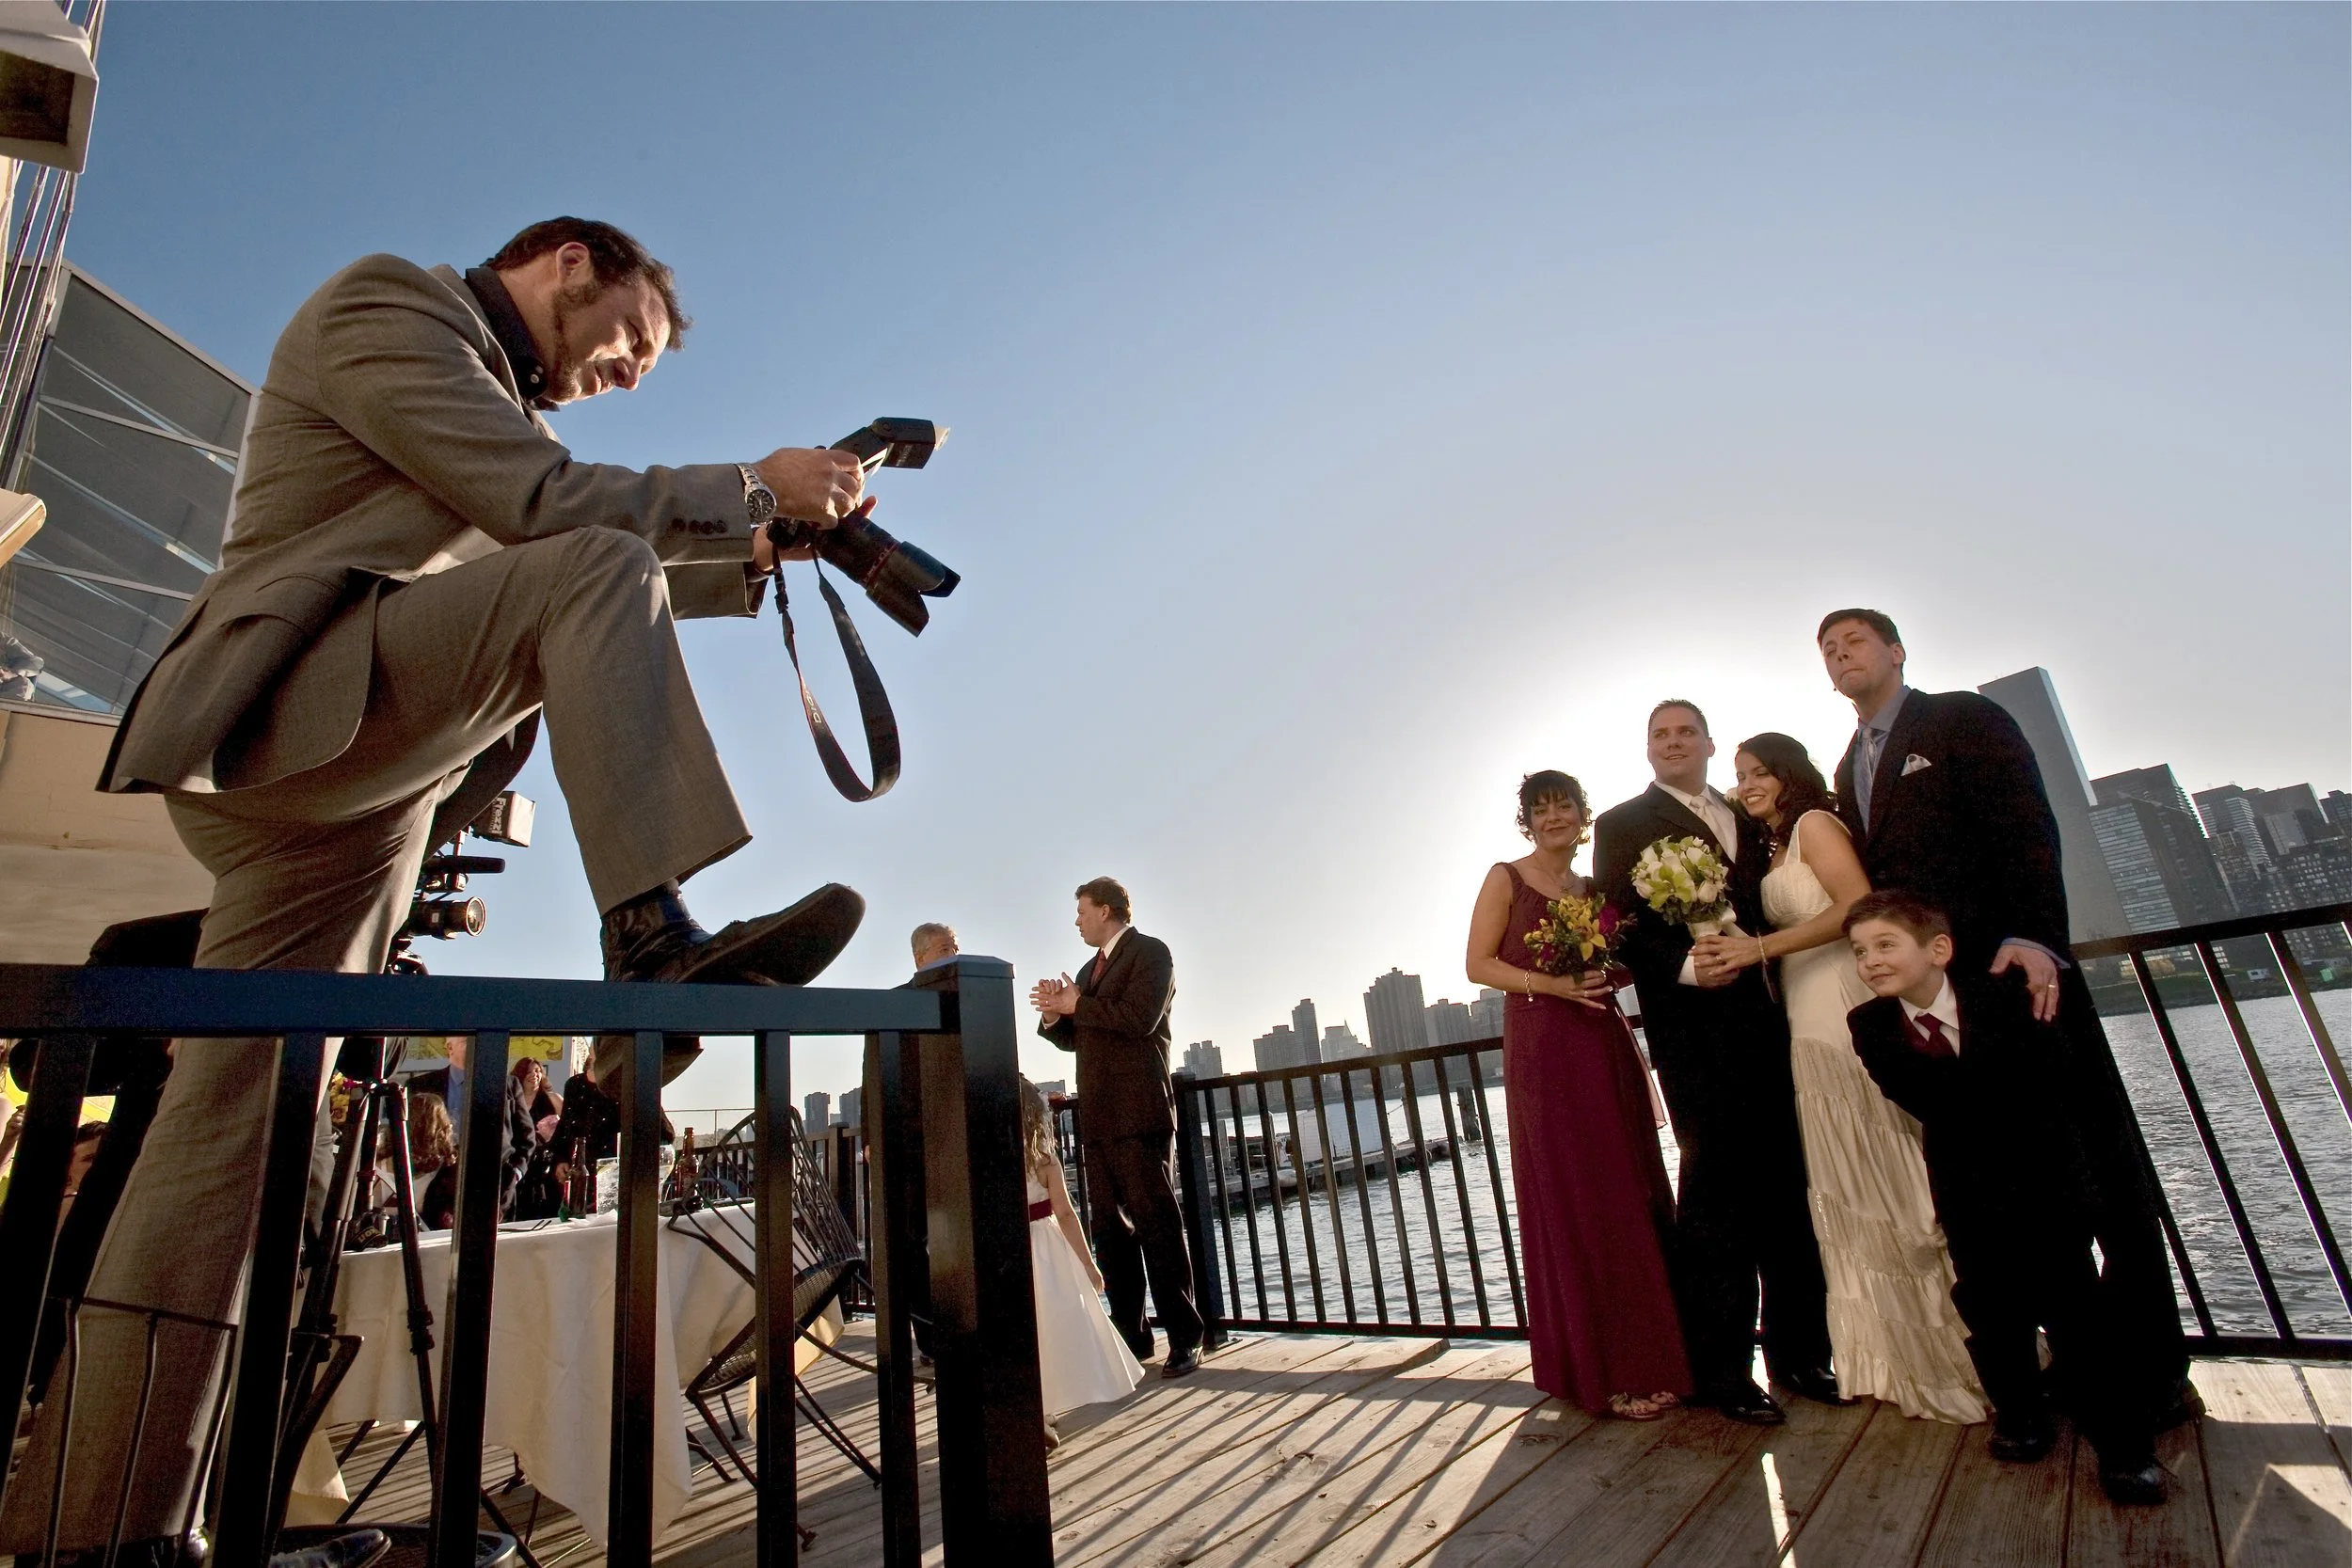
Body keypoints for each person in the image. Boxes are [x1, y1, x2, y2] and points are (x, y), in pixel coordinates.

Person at [3, 217, 875, 1564]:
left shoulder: (489, 394)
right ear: (570, 262)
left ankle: (102, 1524)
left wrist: (767, 550)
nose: (633, 372)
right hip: (296, 713)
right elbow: (549, 516)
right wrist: (752, 489)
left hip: (360, 792)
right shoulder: (388, 310)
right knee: (591, 562)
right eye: (634, 339)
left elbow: (539, 540)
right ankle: (647, 933)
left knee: (230, 1143)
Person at [1817, 609, 2191, 1426]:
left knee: (2104, 1176)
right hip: (1948, 1002)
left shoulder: (1961, 718)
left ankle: (2158, 1368)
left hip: (2020, 979)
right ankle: (2056, 1367)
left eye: (1855, 641)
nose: (1841, 655)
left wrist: (2036, 937)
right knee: (1999, 1193)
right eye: (1828, 649)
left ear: (1896, 650)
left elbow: (2028, 827)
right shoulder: (1850, 766)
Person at [1692, 734, 1984, 1422]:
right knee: (1844, 1170)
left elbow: (1857, 904)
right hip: (1802, 1008)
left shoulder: (1817, 826)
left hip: (1842, 994)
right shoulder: (1767, 847)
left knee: (1883, 1149)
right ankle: (1883, 1346)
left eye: (1759, 771)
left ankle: (1951, 1343)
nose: (1748, 783)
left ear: (1789, 774)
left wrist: (1759, 946)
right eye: (1739, 776)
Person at [1843, 892, 2168, 1504]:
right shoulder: (1870, 1025)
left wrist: (2071, 1182)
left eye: (1886, 944)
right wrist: (1989, 1090)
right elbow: (1926, 1097)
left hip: (2046, 1184)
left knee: (2078, 1315)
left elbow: (2047, 1085)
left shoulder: (2004, 999)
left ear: (1938, 948)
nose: (1871, 960)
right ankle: (2022, 1414)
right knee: (1990, 1311)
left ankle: (2126, 1449)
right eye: (1860, 951)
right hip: (1968, 1194)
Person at [1593, 701, 1836, 1427]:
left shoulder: (1747, 811)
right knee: (1716, 1201)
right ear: (1648, 749)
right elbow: (1620, 925)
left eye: (1684, 732)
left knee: (1790, 1190)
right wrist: (1690, 969)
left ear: (1707, 742)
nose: (1672, 742)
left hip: (1777, 1020)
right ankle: (1723, 1369)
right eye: (1659, 734)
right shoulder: (1622, 823)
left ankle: (1802, 1352)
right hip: (1698, 1034)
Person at [1465, 771, 1690, 1419]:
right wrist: (1552, 983)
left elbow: (1620, 958)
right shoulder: (1505, 877)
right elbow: (1478, 964)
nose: (1554, 816)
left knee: (1629, 1189)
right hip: (1545, 1046)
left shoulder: (1592, 889)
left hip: (1601, 1040)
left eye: (1564, 804)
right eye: (1541, 808)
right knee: (1581, 1194)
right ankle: (1604, 1368)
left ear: (1581, 815)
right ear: (1527, 821)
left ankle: (1660, 1354)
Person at [1030, 878, 1206, 1379]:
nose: (1077, 921)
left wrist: (1076, 1006)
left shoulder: (1152, 954)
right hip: (1100, 1116)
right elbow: (1076, 1036)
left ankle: (1186, 1337)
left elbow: (1137, 1019)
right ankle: (1132, 1337)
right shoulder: (1088, 970)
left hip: (1139, 1109)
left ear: (1106, 910)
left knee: (1157, 1225)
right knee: (1111, 1233)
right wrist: (1052, 1016)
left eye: (1082, 912)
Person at [1019, 1077, 1143, 1439]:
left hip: (1012, 1254)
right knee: (1053, 1328)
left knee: (1027, 1332)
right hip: (1048, 1252)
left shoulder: (988, 1160)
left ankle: (1035, 1409)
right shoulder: (1045, 1161)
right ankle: (1044, 1406)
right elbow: (1066, 1214)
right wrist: (1089, 1265)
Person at [503, 1056, 565, 1219]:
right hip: (519, 1163)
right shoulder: (512, 1099)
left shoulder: (553, 1099)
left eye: (538, 1071)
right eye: (529, 1071)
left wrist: (553, 1133)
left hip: (544, 1168)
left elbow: (569, 1129)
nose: (534, 1075)